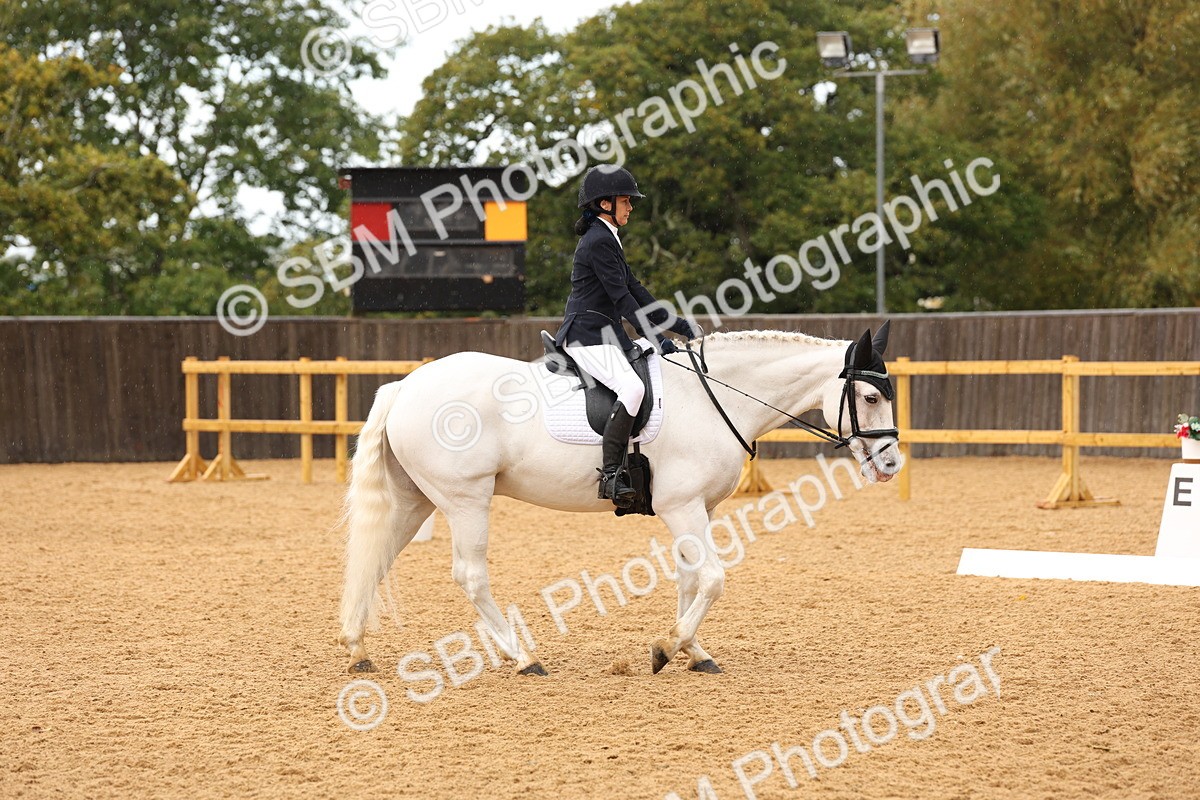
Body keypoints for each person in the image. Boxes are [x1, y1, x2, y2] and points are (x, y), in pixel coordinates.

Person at [554, 165, 699, 507]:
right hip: (587, 335)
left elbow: (635, 289)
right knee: (632, 389)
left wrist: (678, 324)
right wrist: (658, 339)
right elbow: (622, 301)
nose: (631, 207)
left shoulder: (608, 236)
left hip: (605, 334)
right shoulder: (598, 241)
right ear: (605, 204)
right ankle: (610, 475)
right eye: (626, 201)